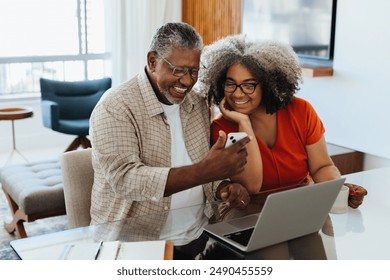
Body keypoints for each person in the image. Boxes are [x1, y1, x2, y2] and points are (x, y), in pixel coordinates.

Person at [89, 22, 251, 258]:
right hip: (134, 247)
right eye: (178, 70)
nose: (187, 81)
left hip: (197, 239)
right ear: (153, 61)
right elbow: (125, 180)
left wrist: (222, 187)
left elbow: (202, 165)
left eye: (194, 71)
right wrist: (205, 172)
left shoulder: (197, 103)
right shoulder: (115, 107)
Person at [199, 34, 367, 209]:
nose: (238, 94)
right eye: (230, 84)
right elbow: (250, 187)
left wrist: (337, 188)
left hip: (302, 206)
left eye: (249, 85)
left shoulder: (301, 111)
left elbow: (321, 167)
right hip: (251, 213)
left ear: (268, 84)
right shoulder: (221, 130)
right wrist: (244, 123)